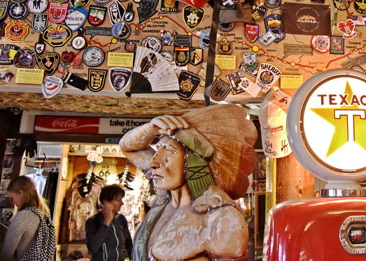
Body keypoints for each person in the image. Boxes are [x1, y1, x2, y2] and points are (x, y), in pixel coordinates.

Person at [119, 105, 257, 261]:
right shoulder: (165, 205)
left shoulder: (221, 220)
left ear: (193, 162)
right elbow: (128, 147)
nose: (154, 162)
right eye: (158, 150)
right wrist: (151, 129)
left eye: (169, 150)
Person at [1, 176, 56, 260]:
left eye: (12, 198)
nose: (13, 203)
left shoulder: (24, 216)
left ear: (21, 192)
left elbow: (7, 253)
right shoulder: (43, 214)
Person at [85, 184, 132, 261]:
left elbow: (129, 244)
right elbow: (92, 248)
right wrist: (106, 222)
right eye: (118, 200)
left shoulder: (120, 219)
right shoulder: (92, 221)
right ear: (106, 202)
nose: (122, 203)